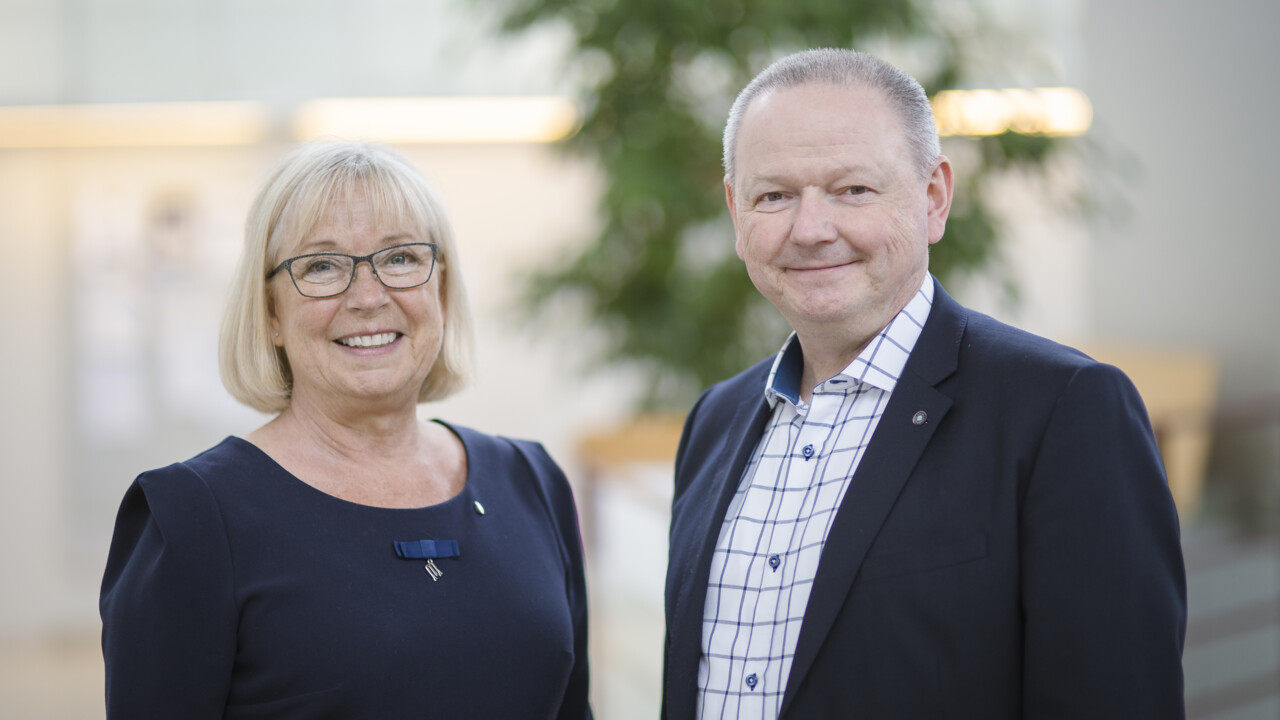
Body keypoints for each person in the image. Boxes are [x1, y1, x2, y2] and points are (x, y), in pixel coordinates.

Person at [662, 48, 1186, 719]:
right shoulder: (715, 421)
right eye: (775, 196)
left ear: (934, 197)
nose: (813, 229)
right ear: (737, 213)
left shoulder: (1063, 413)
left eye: (853, 189)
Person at [100, 140, 591, 719]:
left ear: (442, 288)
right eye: (322, 266)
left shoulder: (530, 483)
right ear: (272, 314)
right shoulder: (192, 517)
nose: (368, 296)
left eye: (402, 258)